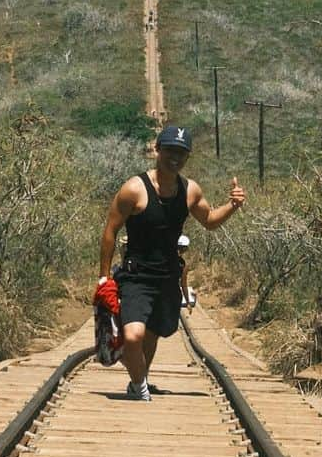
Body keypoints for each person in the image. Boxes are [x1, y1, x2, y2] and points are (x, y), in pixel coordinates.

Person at [97, 124, 246, 401]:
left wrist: (232, 206)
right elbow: (110, 231)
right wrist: (104, 278)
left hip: (167, 278)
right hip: (135, 276)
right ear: (158, 150)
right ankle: (141, 389)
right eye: (169, 151)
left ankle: (138, 381)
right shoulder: (134, 189)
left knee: (152, 335)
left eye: (181, 153)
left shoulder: (190, 191)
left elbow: (210, 221)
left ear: (187, 157)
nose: (174, 158)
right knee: (132, 336)